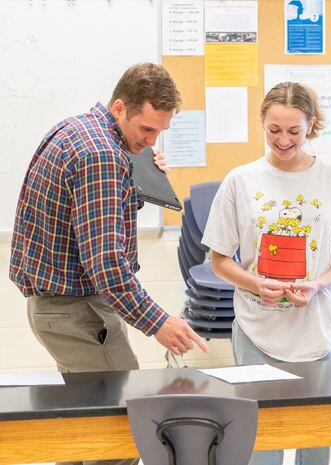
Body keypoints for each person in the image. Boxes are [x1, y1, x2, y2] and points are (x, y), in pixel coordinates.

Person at [10, 62, 209, 465]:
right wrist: (159, 323)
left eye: (159, 132)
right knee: (123, 431)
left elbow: (89, 214)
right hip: (76, 311)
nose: (152, 141)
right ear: (120, 108)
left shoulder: (78, 128)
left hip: (58, 307)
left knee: (83, 430)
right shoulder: (102, 154)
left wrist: (139, 174)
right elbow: (107, 266)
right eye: (146, 130)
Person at [202, 81, 331, 465]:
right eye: (274, 130)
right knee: (262, 432)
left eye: (294, 130)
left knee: (316, 429)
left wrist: (317, 285)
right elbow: (220, 259)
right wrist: (255, 284)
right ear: (262, 123)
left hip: (319, 326)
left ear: (310, 125)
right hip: (258, 327)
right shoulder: (240, 180)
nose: (283, 140)